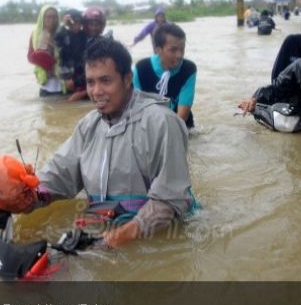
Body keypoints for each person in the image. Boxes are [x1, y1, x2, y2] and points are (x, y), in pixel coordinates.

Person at [35, 39, 195, 248]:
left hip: (161, 236)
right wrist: (28, 195)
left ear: (127, 79)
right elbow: (58, 175)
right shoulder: (88, 126)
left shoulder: (162, 123)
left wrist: (119, 237)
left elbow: (170, 200)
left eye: (105, 81)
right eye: (91, 82)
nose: (96, 91)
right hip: (105, 230)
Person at [132, 23, 197, 129]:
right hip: (149, 125)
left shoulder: (188, 69)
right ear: (158, 50)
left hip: (181, 126)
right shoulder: (141, 68)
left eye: (182, 49)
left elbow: (182, 117)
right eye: (173, 50)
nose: (179, 55)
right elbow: (134, 108)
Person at [27, 5, 63, 97]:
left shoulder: (62, 33)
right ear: (42, 18)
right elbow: (30, 57)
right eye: (48, 17)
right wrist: (44, 63)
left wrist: (53, 46)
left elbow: (69, 55)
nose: (51, 20)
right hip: (46, 85)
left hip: (63, 84)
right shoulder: (37, 35)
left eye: (54, 17)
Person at [55, 9, 88, 102]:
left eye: (79, 23)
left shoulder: (83, 35)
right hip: (66, 72)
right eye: (73, 23)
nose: (77, 26)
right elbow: (56, 40)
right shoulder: (63, 34)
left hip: (79, 71)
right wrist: (63, 24)